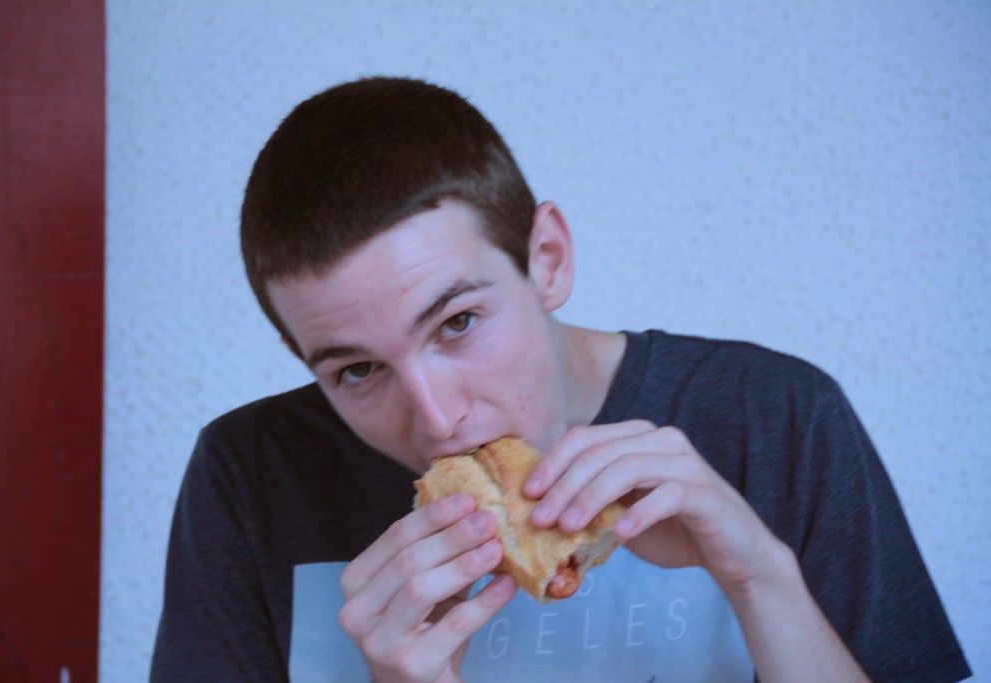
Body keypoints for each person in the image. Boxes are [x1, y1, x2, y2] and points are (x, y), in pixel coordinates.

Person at [151, 77, 970, 682]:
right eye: (358, 369)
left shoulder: (775, 416)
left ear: (546, 259)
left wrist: (761, 576)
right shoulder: (249, 474)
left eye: (457, 322)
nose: (436, 420)